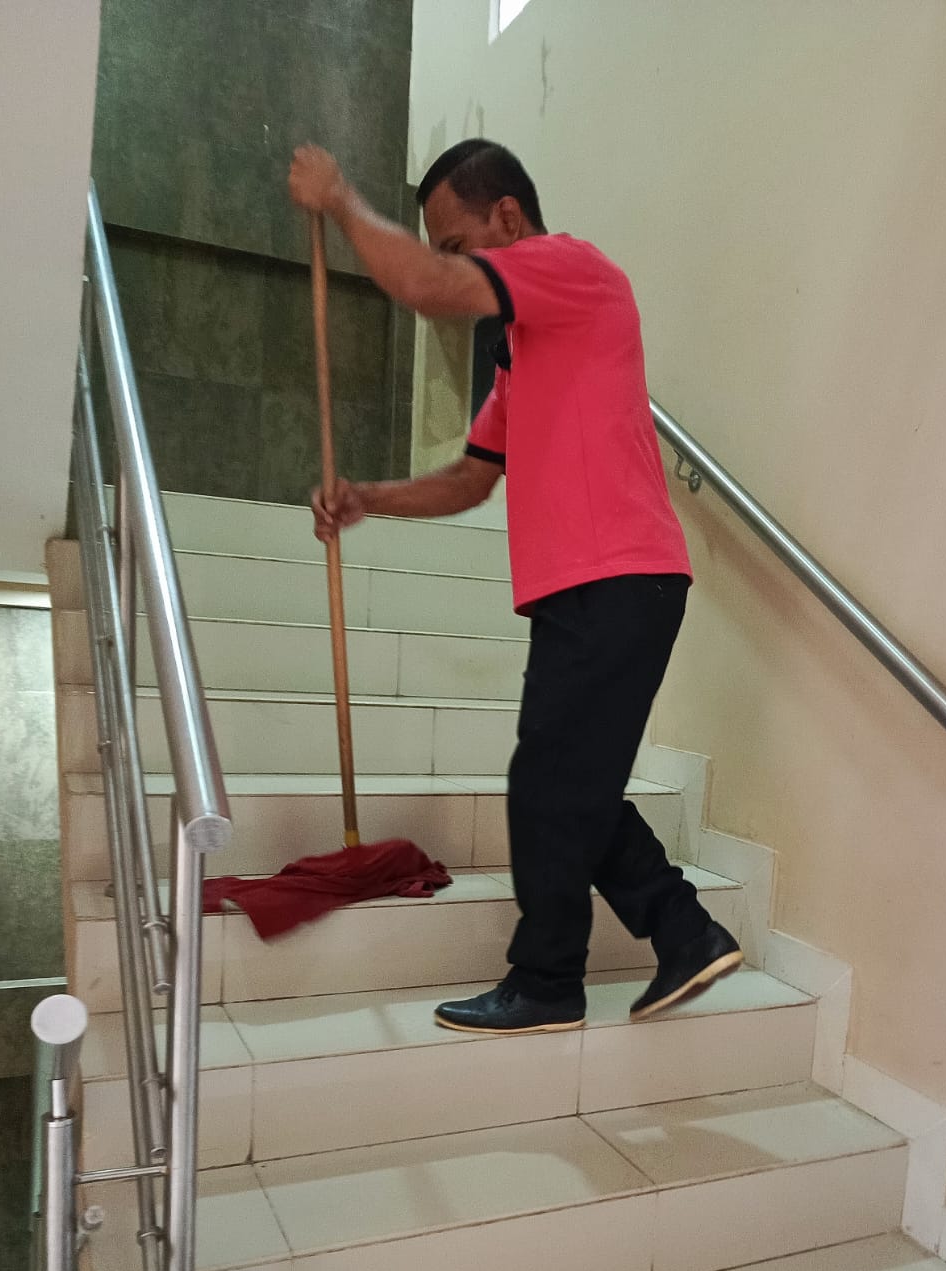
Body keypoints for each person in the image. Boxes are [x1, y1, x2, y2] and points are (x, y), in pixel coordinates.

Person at [288, 138, 742, 1035]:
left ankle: (548, 980)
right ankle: (684, 934)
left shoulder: (574, 271)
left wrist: (340, 201)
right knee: (570, 786)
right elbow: (472, 478)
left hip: (621, 575)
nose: (451, 264)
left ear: (507, 215)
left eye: (457, 243)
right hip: (586, 589)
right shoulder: (525, 351)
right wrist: (368, 498)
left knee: (548, 784)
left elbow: (426, 288)